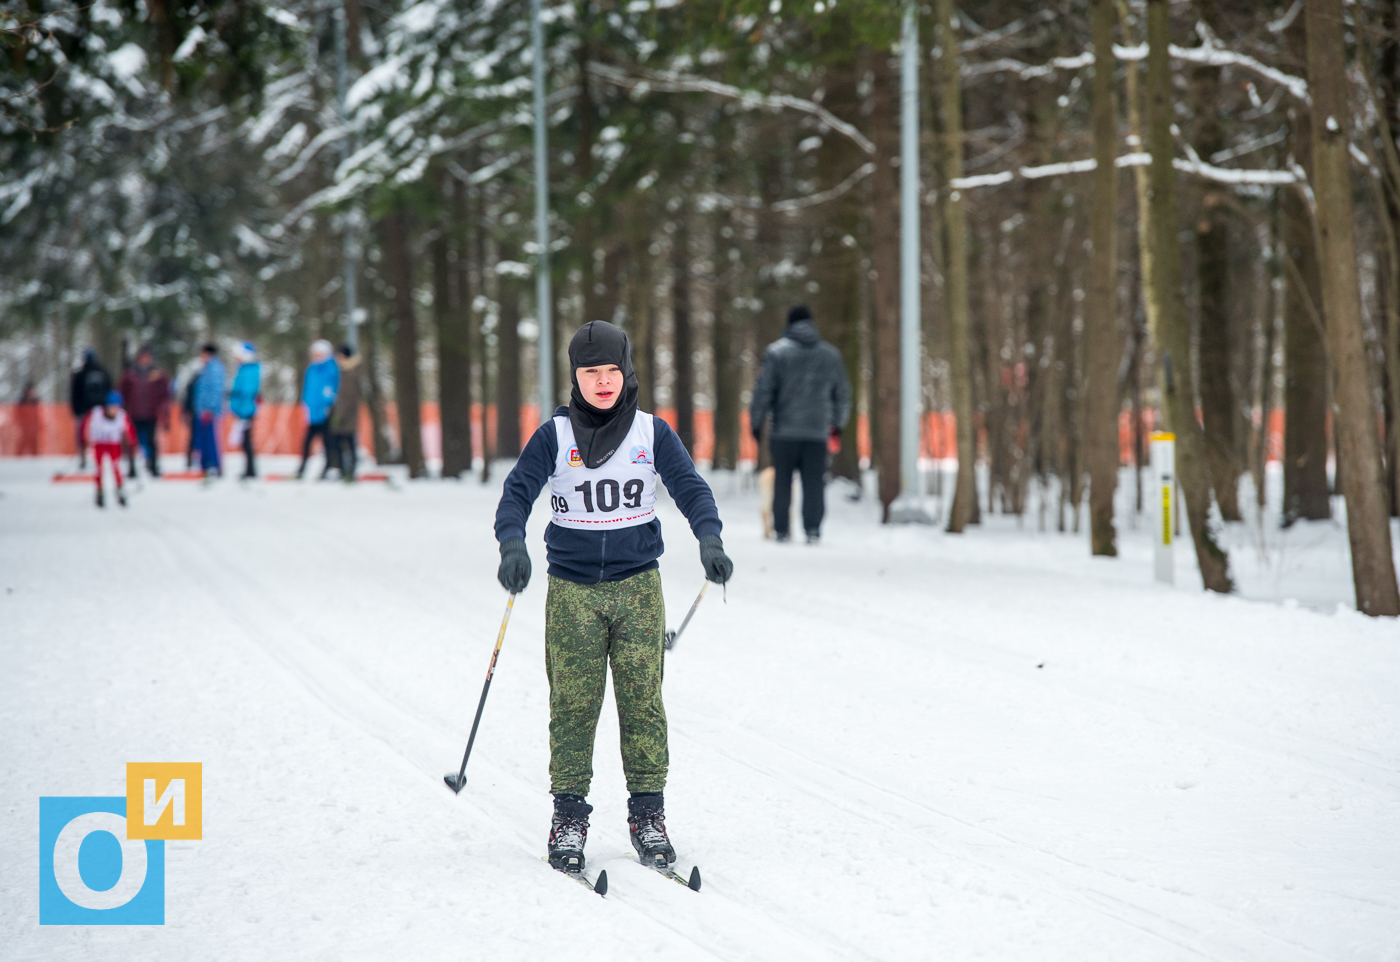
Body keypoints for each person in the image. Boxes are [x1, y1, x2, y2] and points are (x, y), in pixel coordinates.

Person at [494, 320, 734, 877]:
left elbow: (691, 488)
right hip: (573, 590)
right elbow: (517, 494)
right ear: (575, 378)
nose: (602, 382)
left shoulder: (652, 432)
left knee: (642, 703)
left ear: (626, 372)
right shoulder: (554, 436)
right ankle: (568, 818)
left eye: (611, 371)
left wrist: (710, 538)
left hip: (638, 588)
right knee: (574, 707)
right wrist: (512, 546)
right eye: (589, 372)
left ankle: (649, 817)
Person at [748, 304, 852, 544]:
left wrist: (756, 423)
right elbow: (843, 393)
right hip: (817, 431)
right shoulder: (831, 355)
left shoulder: (776, 353)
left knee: (782, 480)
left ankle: (782, 530)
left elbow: (763, 391)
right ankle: (813, 529)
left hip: (783, 431)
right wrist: (837, 424)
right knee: (814, 482)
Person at [118, 346, 171, 478]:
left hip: (151, 413)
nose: (146, 359)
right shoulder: (130, 374)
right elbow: (122, 392)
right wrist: (123, 410)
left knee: (151, 441)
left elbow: (165, 394)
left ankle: (153, 466)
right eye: (144, 356)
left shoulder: (158, 374)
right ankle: (132, 468)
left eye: (149, 356)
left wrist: (164, 411)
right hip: (134, 413)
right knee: (132, 442)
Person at [82, 390, 137, 508]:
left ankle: (120, 490)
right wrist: (84, 440)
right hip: (99, 444)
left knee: (116, 467)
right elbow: (85, 425)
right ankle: (99, 491)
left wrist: (132, 443)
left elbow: (130, 429)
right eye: (112, 407)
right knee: (98, 468)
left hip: (113, 444)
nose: (114, 411)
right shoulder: (96, 413)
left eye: (117, 408)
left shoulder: (122, 415)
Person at [298, 339, 340, 479]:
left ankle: (328, 468)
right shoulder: (311, 369)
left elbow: (331, 389)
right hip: (312, 412)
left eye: (319, 354)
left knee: (328, 442)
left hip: (325, 412)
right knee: (307, 441)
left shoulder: (331, 368)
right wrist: (305, 405)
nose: (316, 357)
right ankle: (302, 468)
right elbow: (308, 390)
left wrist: (328, 404)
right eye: (315, 354)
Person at [69, 350, 112, 469]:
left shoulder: (80, 373)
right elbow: (110, 390)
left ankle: (83, 459)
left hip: (84, 410)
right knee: (102, 435)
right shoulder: (103, 372)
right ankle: (105, 458)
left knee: (82, 436)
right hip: (101, 410)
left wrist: (76, 410)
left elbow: (75, 394)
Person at [328, 344, 362, 482]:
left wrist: (339, 415)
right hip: (341, 413)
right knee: (342, 443)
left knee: (348, 443)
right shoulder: (341, 371)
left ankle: (350, 472)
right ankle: (343, 471)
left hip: (347, 415)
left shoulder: (350, 372)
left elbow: (347, 396)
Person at [192, 343, 226, 478]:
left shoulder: (215, 368)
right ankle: (205, 466)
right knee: (204, 440)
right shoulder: (206, 368)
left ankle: (213, 466)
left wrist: (209, 408)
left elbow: (216, 390)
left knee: (211, 440)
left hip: (210, 412)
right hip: (203, 411)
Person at [229, 341, 261, 479]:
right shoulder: (244, 369)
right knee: (245, 441)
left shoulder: (249, 371)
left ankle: (250, 471)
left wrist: (242, 411)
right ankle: (249, 470)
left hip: (246, 411)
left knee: (247, 441)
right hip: (243, 410)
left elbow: (247, 393)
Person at [16, 383, 41, 456]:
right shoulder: (22, 401)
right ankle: (18, 457)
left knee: (34, 442)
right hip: (25, 425)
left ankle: (35, 457)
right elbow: (18, 413)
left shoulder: (35, 401)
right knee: (23, 441)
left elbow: (39, 413)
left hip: (34, 424)